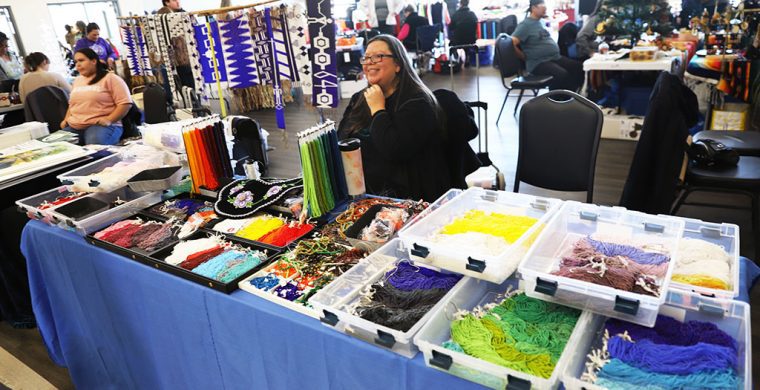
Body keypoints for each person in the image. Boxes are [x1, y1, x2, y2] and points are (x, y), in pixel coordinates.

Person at [338, 35, 450, 202]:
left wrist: (378, 109)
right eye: (366, 57)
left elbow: (394, 149)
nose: (369, 62)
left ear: (398, 64)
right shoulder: (360, 98)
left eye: (378, 56)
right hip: (362, 193)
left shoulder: (418, 102)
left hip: (406, 200)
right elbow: (342, 138)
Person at [60, 48, 131, 145]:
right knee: (57, 147)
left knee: (94, 147)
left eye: (81, 60)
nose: (78, 65)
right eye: (76, 62)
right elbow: (72, 104)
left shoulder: (111, 78)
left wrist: (109, 119)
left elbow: (125, 103)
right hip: (75, 126)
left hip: (102, 125)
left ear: (93, 61)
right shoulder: (77, 81)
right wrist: (66, 119)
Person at [512, 0, 584, 91]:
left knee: (578, 67)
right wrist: (523, 57)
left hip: (553, 58)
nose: (545, 8)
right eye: (542, 6)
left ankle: (571, 96)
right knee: (561, 74)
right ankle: (556, 100)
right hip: (538, 63)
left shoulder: (540, 22)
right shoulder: (525, 25)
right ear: (534, 8)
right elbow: (512, 43)